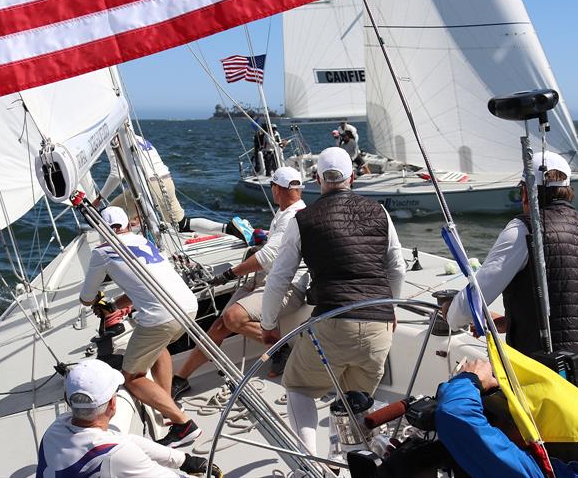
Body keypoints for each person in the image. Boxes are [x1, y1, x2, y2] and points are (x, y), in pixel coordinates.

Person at [260, 147, 406, 456]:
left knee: (298, 386)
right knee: (356, 400)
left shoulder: (303, 219)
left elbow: (278, 279)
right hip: (379, 323)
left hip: (335, 320)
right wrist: (390, 308)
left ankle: (312, 465)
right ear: (353, 177)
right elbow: (397, 268)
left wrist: (268, 324)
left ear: (316, 179)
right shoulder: (380, 211)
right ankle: (356, 461)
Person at [444, 152, 578, 402]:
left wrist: (451, 312)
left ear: (526, 192)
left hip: (548, 382)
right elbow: (569, 308)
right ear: (568, 191)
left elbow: (471, 304)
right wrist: (509, 321)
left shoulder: (525, 229)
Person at [171, 167, 308, 396]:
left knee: (233, 317)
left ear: (277, 189)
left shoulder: (292, 216)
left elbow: (267, 257)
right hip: (266, 278)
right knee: (220, 325)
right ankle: (180, 378)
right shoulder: (287, 212)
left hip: (286, 286)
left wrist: (229, 274)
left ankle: (281, 348)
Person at [80, 207, 201, 447]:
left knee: (132, 376)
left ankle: (183, 425)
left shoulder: (102, 251)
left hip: (161, 317)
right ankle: (167, 406)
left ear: (102, 229)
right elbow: (146, 283)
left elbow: (86, 298)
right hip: (188, 307)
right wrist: (115, 305)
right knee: (158, 349)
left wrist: (99, 303)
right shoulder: (143, 241)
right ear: (126, 225)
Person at [36, 359, 212, 477]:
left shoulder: (54, 429)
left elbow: (122, 439)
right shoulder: (113, 454)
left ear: (68, 400)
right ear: (113, 403)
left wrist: (183, 460)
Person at [435, 359, 578, 478]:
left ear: (530, 438)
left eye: (507, 419)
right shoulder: (573, 464)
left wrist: (470, 378)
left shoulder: (526, 472)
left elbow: (454, 413)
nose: (494, 424)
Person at [96, 133, 253, 244]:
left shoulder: (114, 139)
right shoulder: (136, 137)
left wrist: (99, 199)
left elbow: (117, 175)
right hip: (165, 180)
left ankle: (108, 264)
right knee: (181, 224)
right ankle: (230, 228)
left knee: (106, 217)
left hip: (147, 186)